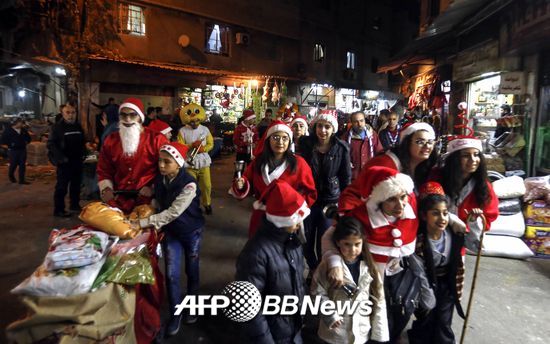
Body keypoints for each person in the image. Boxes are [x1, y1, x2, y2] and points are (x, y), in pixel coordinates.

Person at [322, 166, 433, 343]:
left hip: (401, 277)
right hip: (370, 280)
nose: (400, 205)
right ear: (380, 200)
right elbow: (329, 237)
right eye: (391, 200)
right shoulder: (360, 217)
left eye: (403, 197)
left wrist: (452, 220)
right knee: (372, 323)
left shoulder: (411, 209)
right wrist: (334, 263)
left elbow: (433, 213)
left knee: (399, 318)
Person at [131, 142, 205, 336]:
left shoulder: (189, 184)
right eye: (160, 161)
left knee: (192, 270)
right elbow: (159, 202)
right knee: (172, 274)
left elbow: (173, 212)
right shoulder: (160, 180)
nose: (161, 165)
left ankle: (193, 305)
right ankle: (176, 313)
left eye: (167, 162)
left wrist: (143, 222)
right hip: (171, 233)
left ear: (178, 163)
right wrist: (150, 206)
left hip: (191, 232)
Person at [236, 179, 311, 344]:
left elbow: (298, 282)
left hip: (292, 328)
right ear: (281, 220)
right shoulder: (256, 254)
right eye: (295, 220)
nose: (300, 224)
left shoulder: (292, 241)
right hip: (273, 334)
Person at [408, 182, 483, 344]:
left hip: (448, 283)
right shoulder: (418, 242)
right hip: (426, 282)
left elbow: (475, 246)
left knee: (443, 319)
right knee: (426, 317)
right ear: (423, 216)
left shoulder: (454, 233)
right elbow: (419, 271)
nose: (442, 219)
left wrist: (473, 223)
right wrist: (427, 295)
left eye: (445, 213)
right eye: (435, 213)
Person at [231, 120, 317, 237]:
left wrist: (295, 211)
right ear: (268, 140)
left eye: (284, 138)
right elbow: (248, 183)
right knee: (259, 252)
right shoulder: (258, 163)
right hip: (261, 217)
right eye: (275, 137)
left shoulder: (299, 164)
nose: (280, 142)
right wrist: (241, 184)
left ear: (289, 141)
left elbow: (310, 192)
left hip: (288, 220)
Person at [311, 216, 389, 344]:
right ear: (337, 242)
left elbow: (379, 299)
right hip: (335, 333)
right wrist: (330, 315)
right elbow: (317, 292)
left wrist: (379, 333)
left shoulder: (370, 266)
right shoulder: (327, 266)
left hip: (361, 332)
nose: (353, 250)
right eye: (347, 244)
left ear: (363, 241)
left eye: (357, 244)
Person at [339, 122, 438, 214]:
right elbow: (353, 194)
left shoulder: (423, 167)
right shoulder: (385, 163)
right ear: (407, 143)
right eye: (420, 141)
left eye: (430, 142)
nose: (427, 146)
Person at [298, 111, 351, 271]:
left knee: (325, 240)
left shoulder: (341, 148)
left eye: (327, 127)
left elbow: (345, 178)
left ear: (333, 129)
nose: (323, 130)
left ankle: (321, 272)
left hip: (331, 201)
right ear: (314, 127)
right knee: (305, 240)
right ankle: (314, 268)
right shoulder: (306, 144)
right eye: (320, 126)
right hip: (308, 200)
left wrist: (344, 206)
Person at [97, 97, 169, 214]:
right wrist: (106, 188)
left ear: (140, 117)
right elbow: (104, 169)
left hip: (148, 201)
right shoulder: (111, 140)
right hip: (117, 200)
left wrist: (153, 187)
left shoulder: (157, 139)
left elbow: (169, 169)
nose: (127, 119)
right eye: (123, 115)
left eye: (132, 115)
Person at [435, 135, 499, 233]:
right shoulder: (437, 177)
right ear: (455, 159)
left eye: (476, 154)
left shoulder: (483, 186)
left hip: (466, 239)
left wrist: (474, 220)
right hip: (436, 234)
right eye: (466, 155)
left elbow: (489, 217)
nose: (473, 159)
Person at [47, 101, 86, 217]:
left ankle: (74, 205)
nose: (71, 115)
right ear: (62, 113)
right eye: (67, 112)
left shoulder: (78, 126)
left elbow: (82, 142)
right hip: (64, 163)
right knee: (62, 187)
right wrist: (61, 158)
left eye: (73, 112)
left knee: (76, 185)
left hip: (77, 161)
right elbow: (51, 144)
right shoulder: (57, 128)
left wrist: (84, 152)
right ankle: (59, 209)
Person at [177, 103, 214, 215]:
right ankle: (192, 205)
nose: (195, 123)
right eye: (192, 122)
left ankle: (207, 204)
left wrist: (204, 149)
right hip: (189, 163)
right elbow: (180, 146)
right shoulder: (182, 131)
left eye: (197, 121)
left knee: (206, 185)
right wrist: (191, 145)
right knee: (190, 187)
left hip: (203, 161)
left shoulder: (205, 129)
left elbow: (210, 143)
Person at [341, 111, 384, 180]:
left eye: (361, 121)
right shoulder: (345, 137)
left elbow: (380, 153)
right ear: (351, 123)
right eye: (356, 122)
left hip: (369, 174)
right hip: (353, 176)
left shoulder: (372, 135)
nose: (359, 124)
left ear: (365, 121)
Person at [1, 117, 32, 184]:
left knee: (22, 165)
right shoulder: (8, 131)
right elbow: (2, 141)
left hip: (22, 150)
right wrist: (9, 147)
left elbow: (28, 138)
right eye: (20, 122)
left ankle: (21, 180)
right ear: (16, 123)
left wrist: (26, 142)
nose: (22, 124)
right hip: (13, 151)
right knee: (13, 164)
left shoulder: (23, 130)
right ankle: (11, 175)